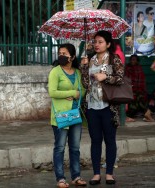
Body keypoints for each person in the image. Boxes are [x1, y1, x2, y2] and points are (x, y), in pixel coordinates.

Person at [80, 30, 124, 185]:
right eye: (95, 41)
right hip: (92, 106)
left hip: (108, 106)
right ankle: (96, 174)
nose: (96, 44)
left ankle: (110, 173)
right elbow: (85, 84)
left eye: (100, 42)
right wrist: (84, 68)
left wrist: (106, 77)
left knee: (110, 140)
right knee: (95, 140)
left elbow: (120, 79)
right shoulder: (90, 59)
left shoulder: (113, 59)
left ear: (108, 44)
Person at [48, 43, 87, 187]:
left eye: (64, 53)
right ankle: (60, 178)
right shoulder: (55, 72)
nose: (61, 56)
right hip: (61, 115)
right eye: (60, 53)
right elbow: (52, 92)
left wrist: (78, 95)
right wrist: (71, 93)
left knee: (75, 147)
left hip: (75, 114)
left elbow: (82, 91)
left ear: (72, 57)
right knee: (60, 147)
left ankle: (76, 176)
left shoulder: (77, 72)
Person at [125, 54, 154, 122]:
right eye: (132, 60)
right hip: (130, 88)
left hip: (139, 88)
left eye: (134, 60)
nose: (133, 61)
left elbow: (142, 79)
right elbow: (127, 79)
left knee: (141, 97)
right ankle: (131, 115)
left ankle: (146, 113)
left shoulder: (139, 68)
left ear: (137, 61)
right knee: (134, 97)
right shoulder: (128, 67)